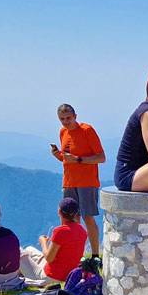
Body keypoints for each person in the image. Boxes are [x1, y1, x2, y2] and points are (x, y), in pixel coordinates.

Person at [50, 104, 105, 259]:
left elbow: (101, 157)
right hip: (68, 181)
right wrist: (58, 155)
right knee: (72, 220)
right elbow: (67, 158)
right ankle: (75, 256)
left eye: (68, 118)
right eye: (62, 119)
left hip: (87, 181)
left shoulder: (87, 130)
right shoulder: (63, 132)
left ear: (75, 116)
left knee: (87, 217)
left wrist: (78, 159)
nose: (66, 122)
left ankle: (95, 256)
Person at [19, 198, 88, 285]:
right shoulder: (82, 230)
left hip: (50, 277)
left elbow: (49, 258)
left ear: (59, 212)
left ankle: (14, 279)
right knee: (29, 249)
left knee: (18, 251)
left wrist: (43, 243)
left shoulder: (59, 231)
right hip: (69, 275)